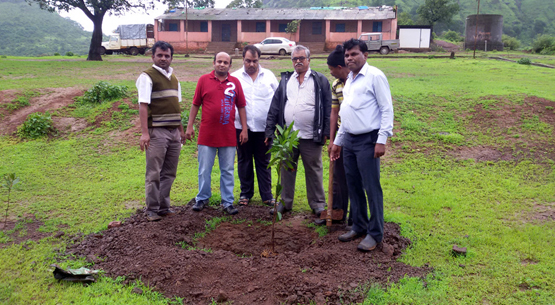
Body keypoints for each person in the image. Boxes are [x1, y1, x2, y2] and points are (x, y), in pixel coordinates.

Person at [330, 38, 394, 251]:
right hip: (349, 140)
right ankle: (359, 224)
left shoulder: (374, 76)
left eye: (354, 54)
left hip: (368, 139)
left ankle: (375, 234)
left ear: (365, 55)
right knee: (354, 185)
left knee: (371, 187)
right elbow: (346, 113)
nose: (349, 58)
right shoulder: (350, 79)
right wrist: (339, 141)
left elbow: (386, 109)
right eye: (347, 55)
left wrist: (381, 139)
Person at [265, 45, 331, 217]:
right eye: (295, 59)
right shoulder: (286, 80)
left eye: (301, 58)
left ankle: (317, 204)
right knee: (287, 169)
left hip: (311, 135)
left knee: (314, 169)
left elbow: (328, 107)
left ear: (309, 60)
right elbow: (275, 106)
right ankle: (285, 202)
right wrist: (269, 131)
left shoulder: (320, 80)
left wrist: (326, 131)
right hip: (288, 136)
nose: (298, 61)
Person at [185, 52, 248, 215]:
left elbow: (241, 106)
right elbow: (195, 104)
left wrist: (244, 128)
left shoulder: (235, 83)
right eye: (219, 61)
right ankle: (202, 198)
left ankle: (227, 201)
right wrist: (189, 126)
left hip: (228, 135)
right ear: (213, 63)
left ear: (230, 66)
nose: (222, 64)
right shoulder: (203, 80)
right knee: (204, 168)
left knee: (227, 169)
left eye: (225, 62)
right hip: (207, 135)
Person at [137, 41, 185, 222]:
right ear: (153, 56)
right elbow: (143, 105)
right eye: (160, 55)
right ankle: (152, 209)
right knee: (154, 172)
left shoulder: (174, 78)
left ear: (171, 58)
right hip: (156, 131)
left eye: (167, 56)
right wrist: (144, 133)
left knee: (169, 172)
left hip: (173, 132)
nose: (163, 59)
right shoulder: (147, 77)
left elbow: (176, 106)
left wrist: (181, 130)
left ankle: (164, 207)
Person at [231, 45, 279, 207]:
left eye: (255, 61)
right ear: (242, 59)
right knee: (244, 161)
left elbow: (277, 102)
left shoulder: (269, 76)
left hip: (264, 129)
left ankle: (267, 194)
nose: (251, 64)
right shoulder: (235, 78)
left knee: (264, 162)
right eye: (248, 61)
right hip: (241, 128)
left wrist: (273, 129)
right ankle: (246, 193)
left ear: (259, 59)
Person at [315, 44, 352, 226]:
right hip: (340, 135)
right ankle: (336, 212)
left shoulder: (355, 82)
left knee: (354, 176)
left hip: (356, 135)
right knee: (337, 176)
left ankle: (355, 217)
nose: (330, 73)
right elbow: (333, 114)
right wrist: (331, 139)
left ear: (339, 67)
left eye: (331, 69)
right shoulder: (336, 85)